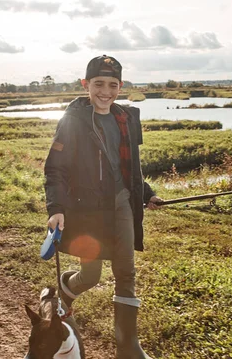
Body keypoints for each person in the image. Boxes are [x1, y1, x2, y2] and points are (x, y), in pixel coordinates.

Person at [44, 55, 163, 358]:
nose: (105, 91)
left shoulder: (127, 118)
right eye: (98, 84)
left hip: (122, 203)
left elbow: (128, 167)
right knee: (92, 276)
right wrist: (56, 207)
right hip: (86, 210)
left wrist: (146, 193)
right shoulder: (72, 121)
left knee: (126, 273)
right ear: (86, 85)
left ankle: (128, 346)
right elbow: (54, 169)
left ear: (120, 86)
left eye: (112, 85)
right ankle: (66, 288)